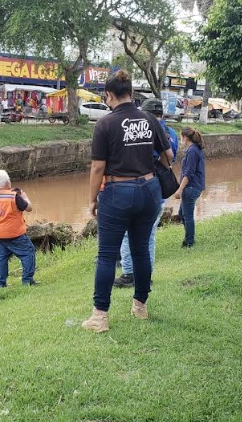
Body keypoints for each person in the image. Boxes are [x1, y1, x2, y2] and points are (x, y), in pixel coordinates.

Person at [82, 70, 173, 333]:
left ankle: (100, 317)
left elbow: (98, 167)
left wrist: (92, 200)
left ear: (109, 95)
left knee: (107, 255)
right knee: (141, 249)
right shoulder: (149, 119)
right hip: (149, 191)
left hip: (117, 192)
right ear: (131, 93)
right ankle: (140, 306)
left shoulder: (105, 124)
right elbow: (168, 156)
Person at [113, 98, 179, 288]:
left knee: (128, 233)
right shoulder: (172, 133)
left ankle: (129, 274)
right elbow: (170, 158)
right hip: (161, 190)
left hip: (142, 186)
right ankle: (145, 275)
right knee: (149, 235)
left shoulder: (144, 129)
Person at [0, 170, 39, 288]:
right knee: (28, 252)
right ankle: (28, 280)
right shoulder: (13, 196)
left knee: (2, 257)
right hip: (14, 233)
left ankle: (0, 283)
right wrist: (25, 197)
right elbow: (29, 208)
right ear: (8, 182)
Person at [174, 127, 206, 248]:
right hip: (194, 186)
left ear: (185, 138)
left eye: (180, 137)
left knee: (187, 216)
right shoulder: (193, 149)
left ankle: (189, 242)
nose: (180, 139)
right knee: (182, 213)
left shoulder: (192, 151)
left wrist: (180, 189)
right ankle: (188, 237)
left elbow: (189, 173)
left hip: (191, 187)